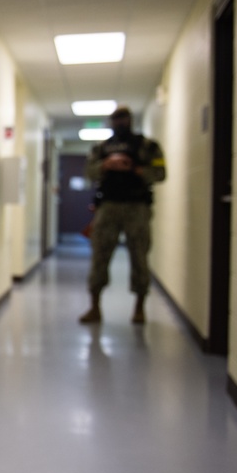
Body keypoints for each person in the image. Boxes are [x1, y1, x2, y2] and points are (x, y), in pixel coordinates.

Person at [78, 106, 166, 325]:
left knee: (140, 257)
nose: (120, 123)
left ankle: (139, 308)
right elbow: (89, 172)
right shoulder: (101, 149)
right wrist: (107, 164)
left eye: (123, 118)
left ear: (130, 120)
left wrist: (135, 169)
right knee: (99, 256)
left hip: (137, 207)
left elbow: (161, 173)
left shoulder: (148, 147)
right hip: (108, 207)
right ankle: (95, 307)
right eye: (116, 119)